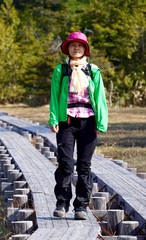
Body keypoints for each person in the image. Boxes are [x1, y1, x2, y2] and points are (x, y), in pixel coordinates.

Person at [48, 32, 108, 220]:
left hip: (88, 122)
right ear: (68, 48)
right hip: (67, 122)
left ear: (85, 50)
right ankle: (62, 203)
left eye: (80, 46)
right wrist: (53, 119)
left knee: (84, 166)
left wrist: (101, 122)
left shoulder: (93, 70)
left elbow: (100, 97)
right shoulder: (61, 70)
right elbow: (54, 96)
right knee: (65, 164)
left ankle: (81, 206)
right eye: (73, 45)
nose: (76, 48)